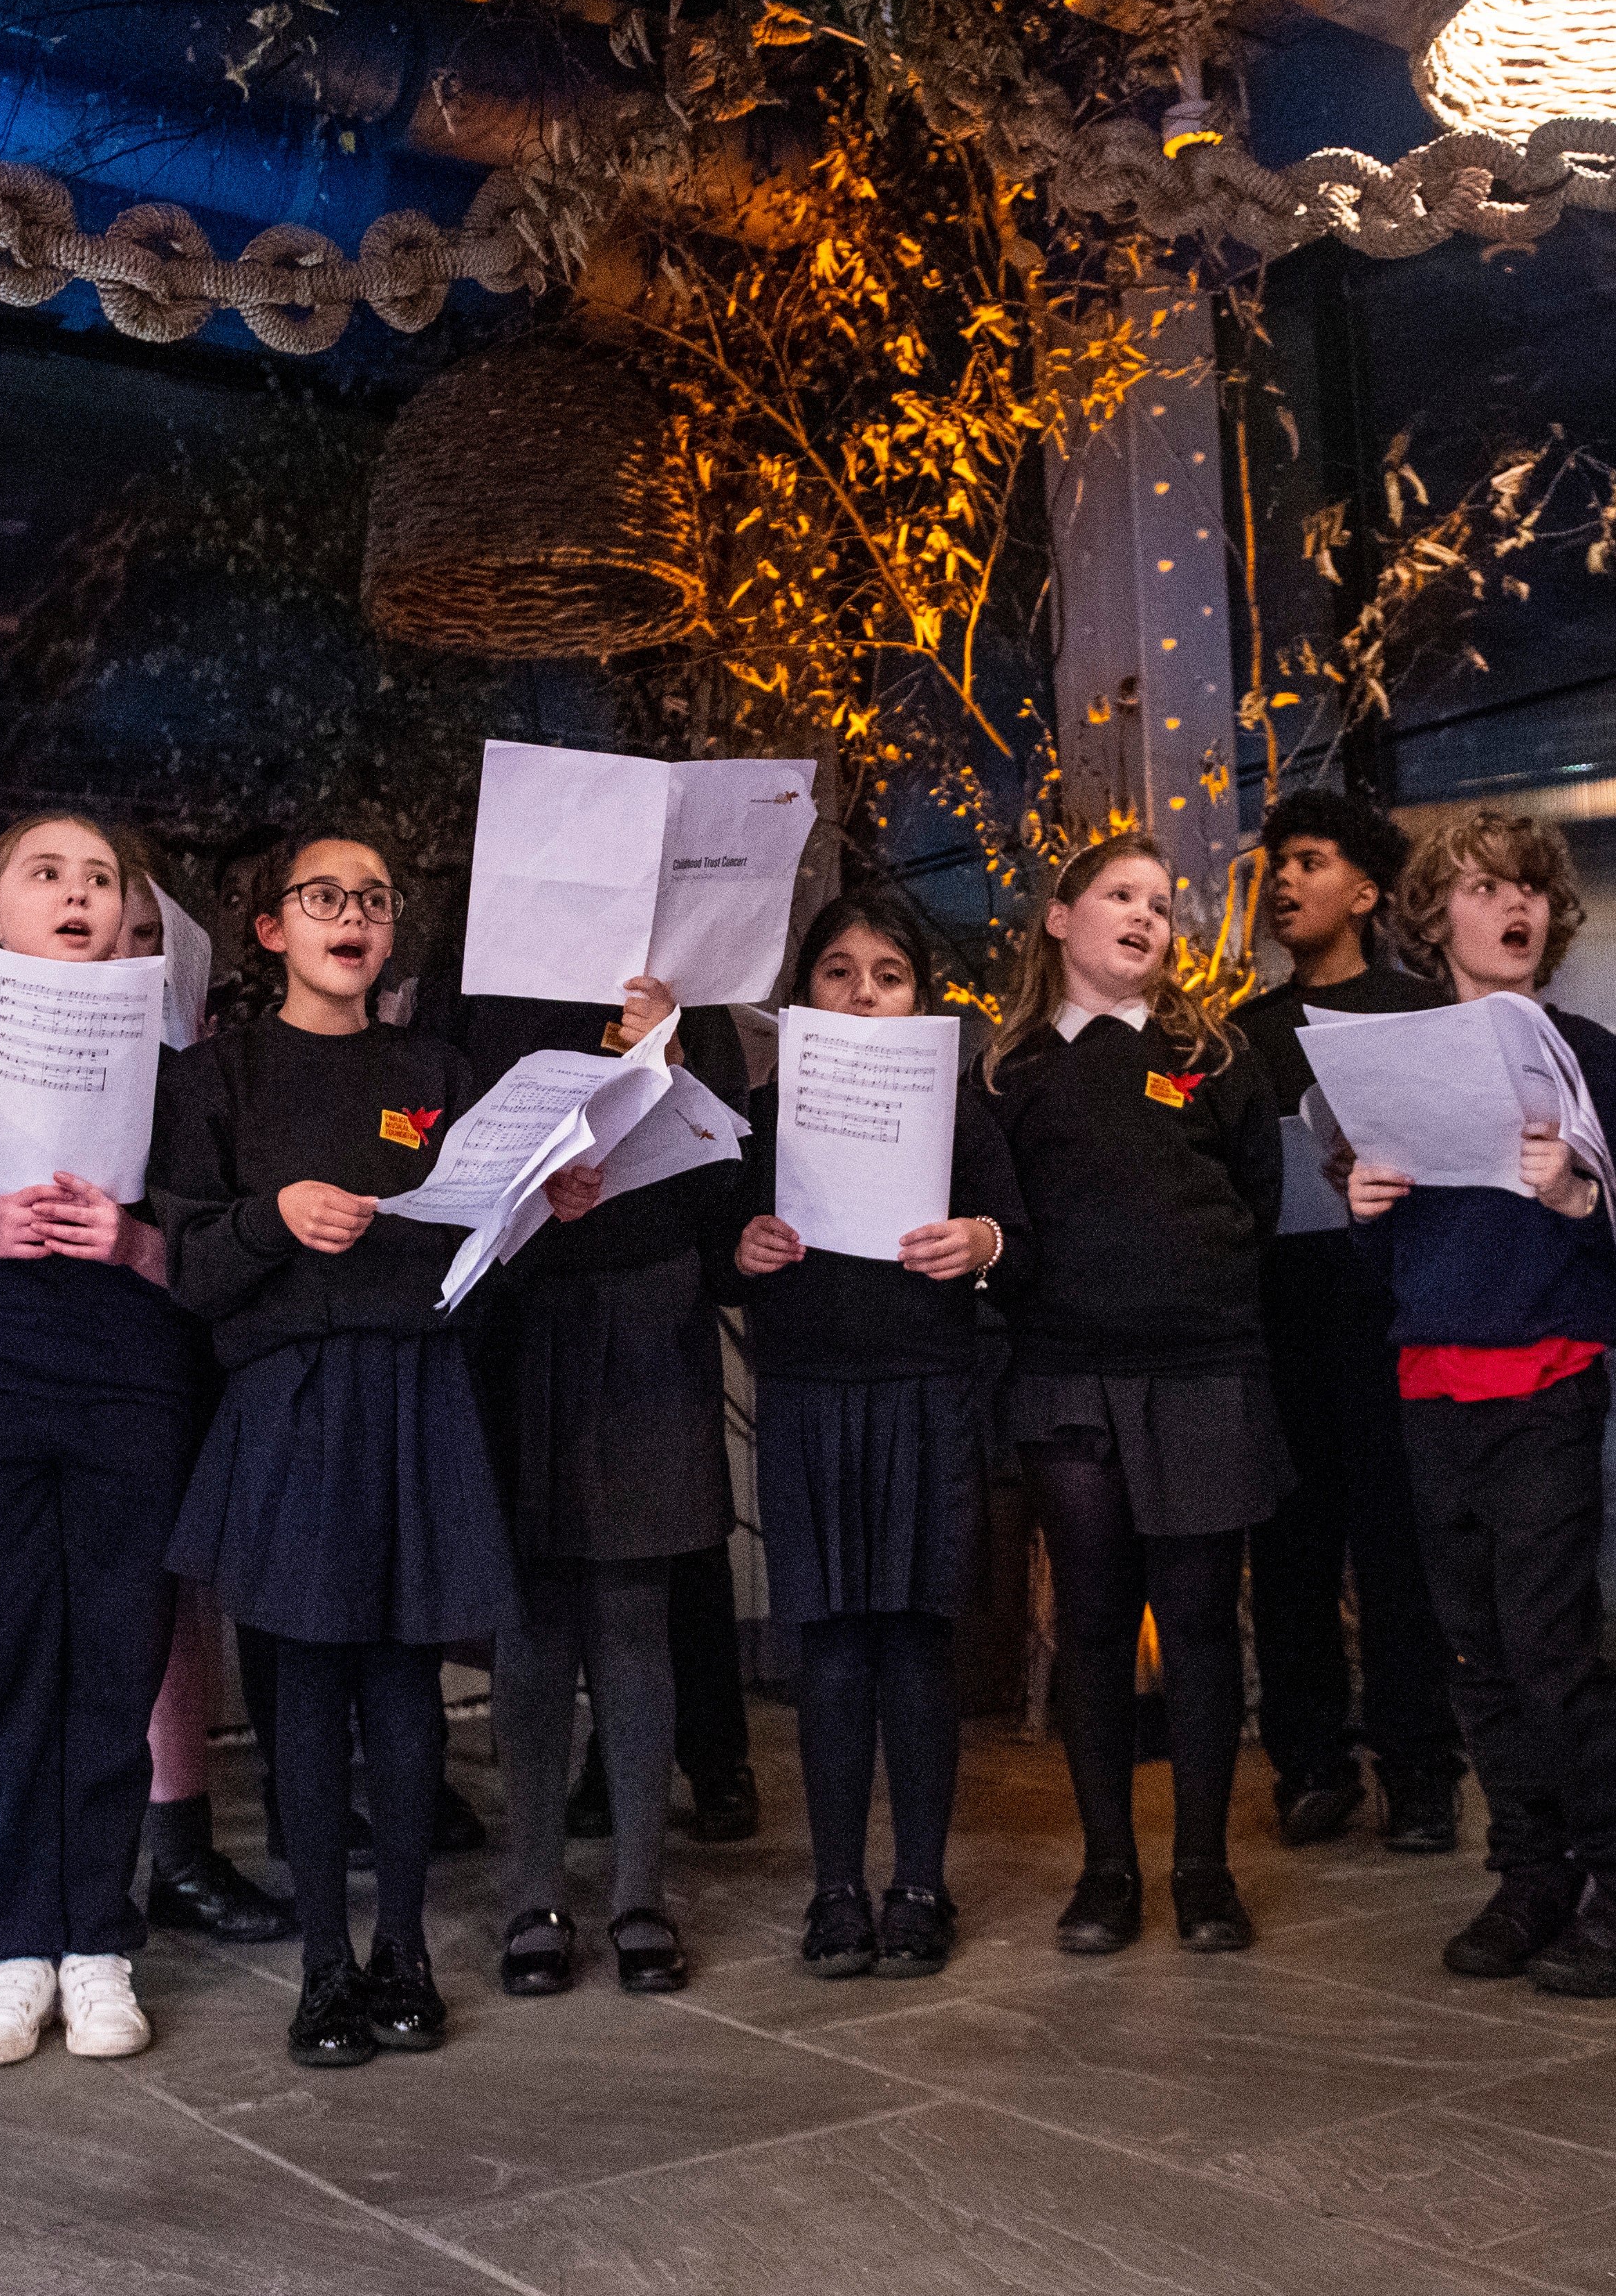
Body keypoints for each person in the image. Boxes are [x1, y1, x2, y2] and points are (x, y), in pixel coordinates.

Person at [148, 830, 528, 2066]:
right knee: (300, 1699)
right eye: (325, 896)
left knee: (406, 1689)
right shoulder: (219, 1076)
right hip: (289, 1407)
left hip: (416, 1393)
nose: (353, 915)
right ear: (271, 928)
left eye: (375, 895)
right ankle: (324, 1967)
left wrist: (539, 1205)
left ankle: (405, 1949)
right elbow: (195, 1274)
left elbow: (483, 1256)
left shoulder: (440, 1068)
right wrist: (275, 1216)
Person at [1345, 807, 1616, 1999]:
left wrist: (1574, 1194)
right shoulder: (1394, 1056)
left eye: (1533, 889)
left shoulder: (1593, 1054)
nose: (1516, 906)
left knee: (1551, 1650)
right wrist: (1366, 1204)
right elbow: (1376, 1270)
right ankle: (1534, 1875)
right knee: (1477, 1658)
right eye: (1487, 887)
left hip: (1546, 1382)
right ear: (1434, 916)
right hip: (1429, 1385)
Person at [0, 813, 210, 2064]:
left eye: (100, 881)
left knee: (111, 1678)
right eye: (46, 875)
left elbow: (213, 1257)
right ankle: (11, 1953)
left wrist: (133, 1243)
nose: (77, 897)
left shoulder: (176, 1075)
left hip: (130, 1397)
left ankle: (99, 1944)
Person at [980, 833, 1290, 1956]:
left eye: (1163, 903)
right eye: (1121, 894)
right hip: (1067, 1376)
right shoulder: (1004, 1073)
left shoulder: (1214, 1054)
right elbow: (993, 1228)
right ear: (1060, 920)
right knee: (1097, 1628)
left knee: (1203, 1626)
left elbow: (1256, 1199)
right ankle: (1107, 1870)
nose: (1149, 916)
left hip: (1205, 1374)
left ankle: (1203, 1872)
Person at [712, 893, 1027, 1979]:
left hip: (925, 1392)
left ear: (920, 999)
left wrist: (980, 1238)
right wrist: (743, 1246)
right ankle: (837, 1889)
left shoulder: (956, 1104)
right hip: (807, 1392)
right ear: (804, 993)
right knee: (832, 1646)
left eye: (888, 975)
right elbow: (719, 1250)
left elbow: (1020, 1243)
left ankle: (921, 1886)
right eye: (838, 972)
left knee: (915, 1642)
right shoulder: (763, 1107)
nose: (862, 993)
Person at [456, 972, 746, 2000]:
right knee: (530, 1626)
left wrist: (666, 1067)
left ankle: (639, 1896)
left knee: (634, 1619)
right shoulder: (488, 970)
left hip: (648, 1314)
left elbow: (727, 1180)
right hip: (522, 1312)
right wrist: (534, 1190)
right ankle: (532, 1893)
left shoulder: (679, 989)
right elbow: (456, 1151)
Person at [1228, 788, 1465, 1856]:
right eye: (1278, 864)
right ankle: (1311, 1766)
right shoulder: (1240, 1035)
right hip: (1282, 1317)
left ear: (1365, 891)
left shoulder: (1425, 1013)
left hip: (1399, 1312)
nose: (1284, 881)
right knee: (1291, 1552)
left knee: (1403, 1548)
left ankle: (1421, 1768)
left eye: (1310, 862)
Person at [111, 859, 290, 1947]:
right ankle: (69, 1865)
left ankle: (181, 1848)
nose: (127, 957)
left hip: (172, 1343)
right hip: (47, 1347)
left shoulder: (205, 1082)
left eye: (148, 939)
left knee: (175, 1603)